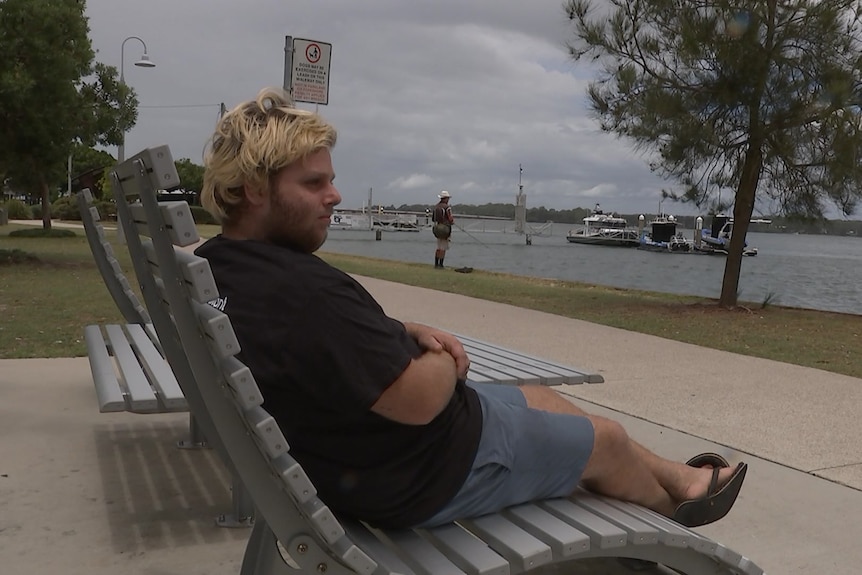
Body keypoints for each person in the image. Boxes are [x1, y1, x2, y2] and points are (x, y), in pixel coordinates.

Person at [196, 87, 748, 531]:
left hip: (365, 456)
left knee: (540, 396)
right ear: (253, 190)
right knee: (607, 443)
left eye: (332, 180)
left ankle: (684, 479)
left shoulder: (221, 266)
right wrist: (443, 356)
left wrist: (404, 329)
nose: (334, 196)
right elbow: (417, 401)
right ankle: (667, 526)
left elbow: (324, 345)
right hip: (423, 471)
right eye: (314, 183)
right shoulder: (307, 292)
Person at [431, 190, 454, 268]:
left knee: (438, 246)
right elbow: (450, 218)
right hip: (444, 228)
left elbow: (433, 219)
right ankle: (440, 264)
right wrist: (452, 222)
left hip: (437, 228)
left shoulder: (436, 206)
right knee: (443, 247)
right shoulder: (447, 207)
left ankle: (436, 264)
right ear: (445, 199)